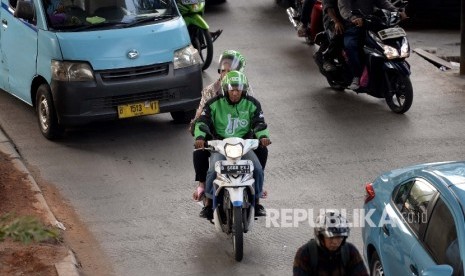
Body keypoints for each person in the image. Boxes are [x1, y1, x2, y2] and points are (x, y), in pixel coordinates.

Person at [190, 50, 268, 204]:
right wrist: (199, 133)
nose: (235, 93)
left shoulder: (247, 95)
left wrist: (262, 135)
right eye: (223, 71)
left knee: (259, 160)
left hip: (242, 142)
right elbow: (201, 118)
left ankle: (257, 194)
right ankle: (205, 191)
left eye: (230, 71)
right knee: (205, 160)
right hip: (216, 140)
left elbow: (257, 118)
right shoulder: (211, 96)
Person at [338, 0, 406, 90]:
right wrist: (352, 18)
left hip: (372, 23)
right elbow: (344, 8)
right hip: (353, 25)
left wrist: (396, 11)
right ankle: (356, 76)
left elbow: (383, 2)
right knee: (351, 45)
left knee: (388, 42)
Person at [293, 210, 368, 275]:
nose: (335, 242)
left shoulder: (350, 252)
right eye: (331, 238)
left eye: (339, 237)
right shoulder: (305, 254)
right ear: (320, 236)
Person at [319, 0, 344, 72]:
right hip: (332, 18)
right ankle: (328, 58)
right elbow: (328, 7)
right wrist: (336, 21)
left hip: (348, 18)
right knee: (339, 32)